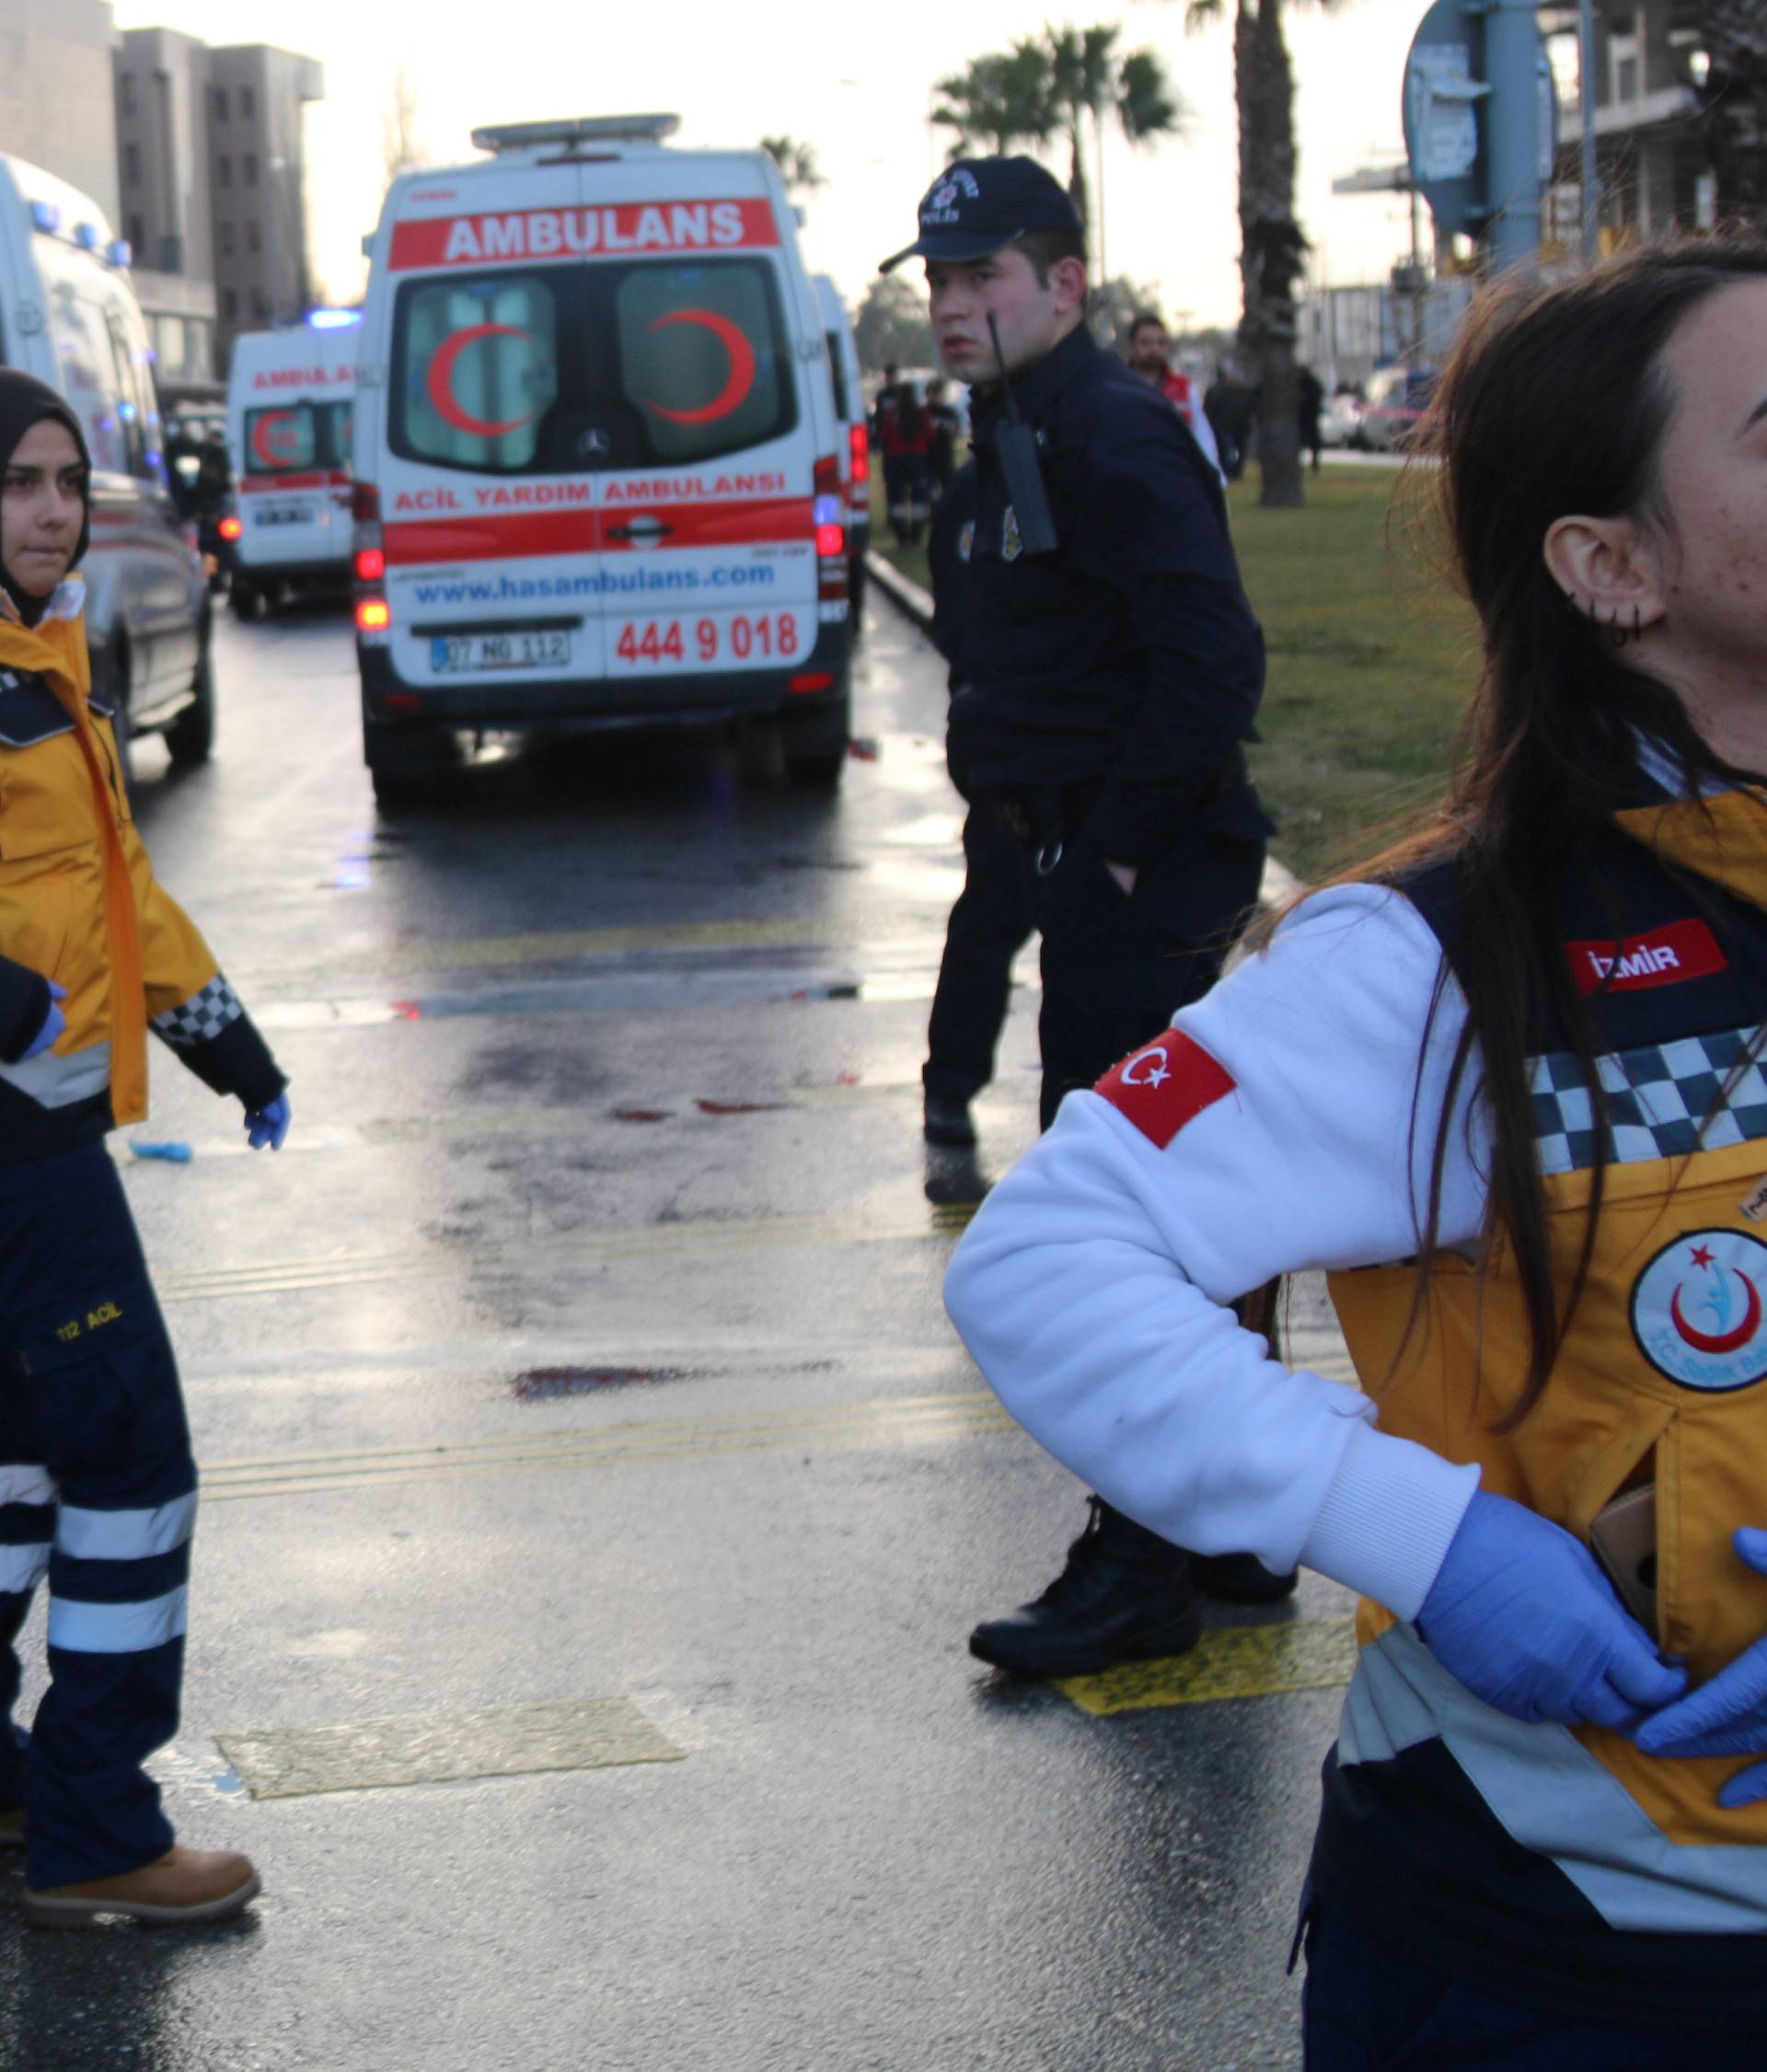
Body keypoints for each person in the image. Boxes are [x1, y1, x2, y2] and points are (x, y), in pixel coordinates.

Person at [946, 237, 1767, 2066]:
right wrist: (1428, 1535)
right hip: (1580, 1961)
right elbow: (1050, 1260)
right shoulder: (1443, 963)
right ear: (1608, 564)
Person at [881, 157, 1279, 1677]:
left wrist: (1110, 854)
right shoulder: (1016, 435)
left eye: (985, 278)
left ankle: (1140, 1559)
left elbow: (1212, 657)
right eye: (941, 283)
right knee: (1199, 1210)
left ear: (1064, 285)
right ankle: (1230, 1515)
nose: (956, 308)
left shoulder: (1113, 433)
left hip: (1145, 877)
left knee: (1120, 1226)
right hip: (1081, 867)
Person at [0, 369, 291, 1928]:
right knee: (128, 1467)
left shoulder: (41, 671)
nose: (52, 509)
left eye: (64, 480)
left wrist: (225, 1043)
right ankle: (98, 1824)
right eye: (19, 483)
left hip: (32, 1145)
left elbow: (120, 906)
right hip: (25, 1165)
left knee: (15, 1467)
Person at [922, 458, 1035, 1150]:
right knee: (991, 923)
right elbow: (958, 616)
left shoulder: (1109, 465)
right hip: (1009, 745)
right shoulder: (980, 493)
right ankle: (951, 1087)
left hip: (1091, 749)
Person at [1126, 311, 1224, 477]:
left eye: (1160, 343)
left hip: (1173, 477)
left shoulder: (1183, 389)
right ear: (1132, 345)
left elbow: (1201, 436)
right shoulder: (1117, 386)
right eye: (1146, 343)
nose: (1154, 349)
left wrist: (1214, 477)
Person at [877, 379, 934, 545]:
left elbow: (884, 436)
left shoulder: (892, 412)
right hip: (918, 458)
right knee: (919, 497)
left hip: (895, 459)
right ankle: (916, 535)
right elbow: (931, 435)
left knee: (896, 497)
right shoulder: (921, 412)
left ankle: (901, 535)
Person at [1204, 365, 1254, 482]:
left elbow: (1249, 409)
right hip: (1224, 427)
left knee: (1241, 451)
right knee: (1228, 450)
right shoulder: (1220, 393)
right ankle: (1228, 471)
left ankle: (1236, 472)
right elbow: (1212, 409)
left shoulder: (1245, 393)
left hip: (1241, 428)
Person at [924, 376, 961, 507]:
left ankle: (949, 507)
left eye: (939, 393)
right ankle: (934, 510)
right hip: (928, 456)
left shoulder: (949, 412)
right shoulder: (924, 412)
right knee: (931, 488)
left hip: (945, 454)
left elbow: (956, 430)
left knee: (949, 485)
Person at [1297, 362, 1325, 474]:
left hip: (1309, 417)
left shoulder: (1311, 385)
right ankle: (1303, 466)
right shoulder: (1298, 384)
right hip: (1302, 418)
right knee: (1302, 443)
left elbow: (1316, 397)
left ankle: (1314, 465)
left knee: (1312, 443)